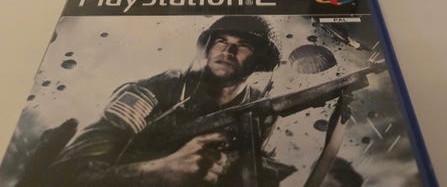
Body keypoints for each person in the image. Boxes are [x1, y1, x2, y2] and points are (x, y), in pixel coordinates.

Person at [44, 16, 283, 186]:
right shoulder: (157, 91)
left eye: (243, 46)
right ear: (209, 47)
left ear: (261, 61)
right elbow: (64, 174)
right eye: (221, 41)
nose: (228, 51)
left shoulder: (260, 111)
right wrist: (158, 170)